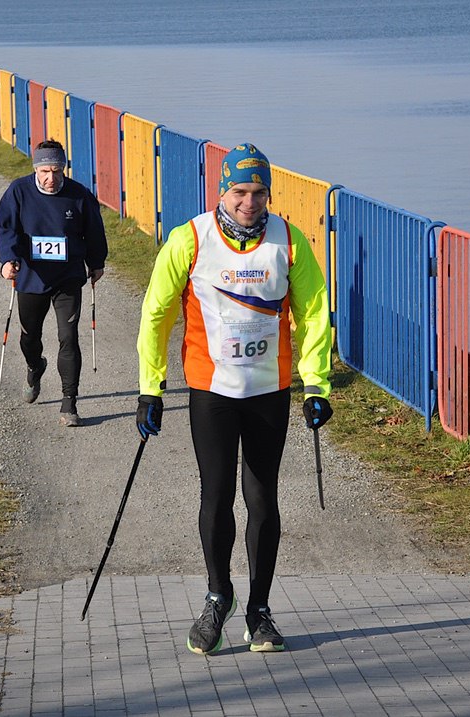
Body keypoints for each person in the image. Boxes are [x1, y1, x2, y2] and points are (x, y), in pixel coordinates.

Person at [136, 143, 332, 655]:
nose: (250, 202)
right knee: (217, 495)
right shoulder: (190, 239)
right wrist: (150, 387)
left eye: (259, 192)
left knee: (263, 499)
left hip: (268, 391)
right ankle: (217, 597)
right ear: (222, 191)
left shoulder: (288, 240)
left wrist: (316, 383)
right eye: (240, 191)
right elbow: (157, 314)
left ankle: (259, 611)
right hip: (212, 393)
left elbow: (314, 312)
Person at [0, 139, 107, 427]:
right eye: (45, 171)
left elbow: (94, 231)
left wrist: (96, 262)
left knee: (68, 337)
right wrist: (8, 260)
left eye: (57, 171)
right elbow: (7, 230)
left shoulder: (79, 195)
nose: (51, 178)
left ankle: (69, 403)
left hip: (67, 277)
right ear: (36, 169)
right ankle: (35, 366)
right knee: (29, 337)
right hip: (32, 277)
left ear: (64, 169)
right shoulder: (18, 191)